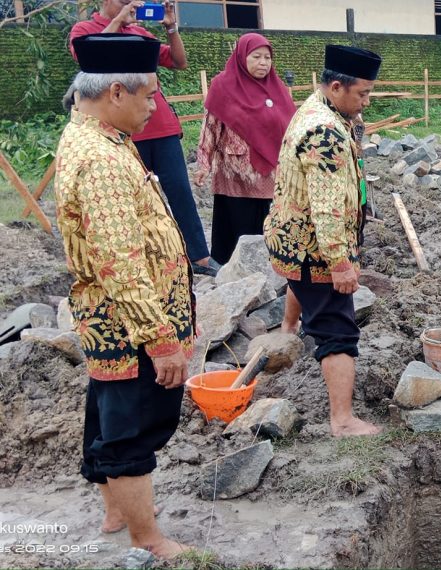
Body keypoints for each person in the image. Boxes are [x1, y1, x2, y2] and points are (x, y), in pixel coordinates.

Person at [55, 33, 195, 558]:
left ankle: (117, 510)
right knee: (132, 429)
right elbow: (121, 262)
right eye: (150, 96)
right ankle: (148, 538)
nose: (154, 106)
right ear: (117, 91)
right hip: (129, 324)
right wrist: (161, 340)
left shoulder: (92, 136)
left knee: (109, 415)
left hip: (112, 321)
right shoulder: (104, 161)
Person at [263, 44, 381, 437]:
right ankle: (342, 420)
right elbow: (327, 207)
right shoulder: (325, 131)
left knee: (302, 284)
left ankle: (288, 328)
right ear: (336, 86)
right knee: (338, 328)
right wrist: (340, 264)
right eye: (362, 93)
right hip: (312, 247)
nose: (366, 102)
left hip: (289, 240)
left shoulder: (317, 108)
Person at [70, 0, 219, 276]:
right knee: (130, 199)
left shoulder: (142, 34)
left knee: (180, 193)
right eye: (124, 1)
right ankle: (143, 262)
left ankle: (199, 257)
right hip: (120, 130)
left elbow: (178, 61)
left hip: (161, 126)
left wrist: (171, 27)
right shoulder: (84, 29)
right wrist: (118, 23)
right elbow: (91, 58)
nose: (131, 5)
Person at [193, 33, 296, 265]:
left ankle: (272, 269)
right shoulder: (223, 85)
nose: (263, 63)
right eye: (256, 57)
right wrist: (203, 164)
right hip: (235, 174)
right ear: (241, 57)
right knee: (238, 226)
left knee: (270, 223)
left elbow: (292, 128)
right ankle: (231, 270)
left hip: (271, 173)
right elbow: (210, 128)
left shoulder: (277, 88)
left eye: (267, 58)